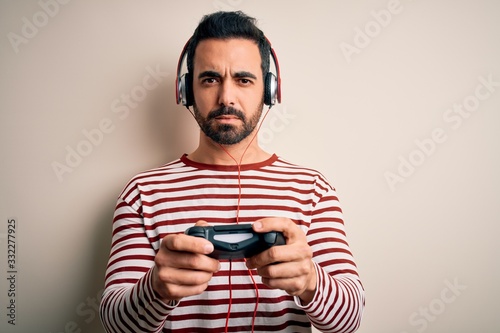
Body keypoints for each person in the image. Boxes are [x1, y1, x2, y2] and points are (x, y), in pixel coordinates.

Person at [99, 11, 365, 333]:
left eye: (243, 79)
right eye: (210, 79)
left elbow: (350, 320)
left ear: (269, 90)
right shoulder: (141, 193)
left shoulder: (313, 190)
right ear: (186, 90)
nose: (227, 97)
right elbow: (115, 324)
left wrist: (311, 282)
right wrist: (154, 290)